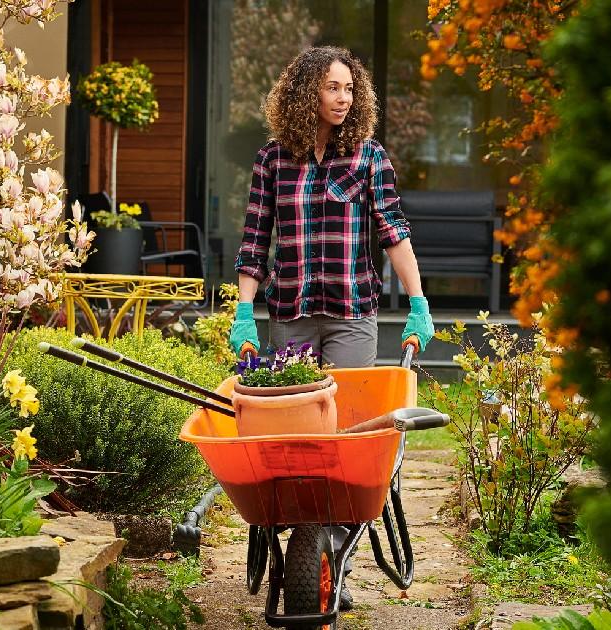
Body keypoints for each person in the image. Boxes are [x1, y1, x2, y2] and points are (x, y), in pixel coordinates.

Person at [229, 46, 435, 610]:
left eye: (349, 89)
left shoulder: (368, 158)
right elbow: (254, 242)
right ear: (305, 95)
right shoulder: (274, 159)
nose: (344, 99)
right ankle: (304, 545)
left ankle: (330, 552)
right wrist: (244, 313)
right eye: (332, 88)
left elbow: (393, 232)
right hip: (290, 316)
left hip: (351, 314)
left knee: (343, 442)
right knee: (293, 441)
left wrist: (417, 301)